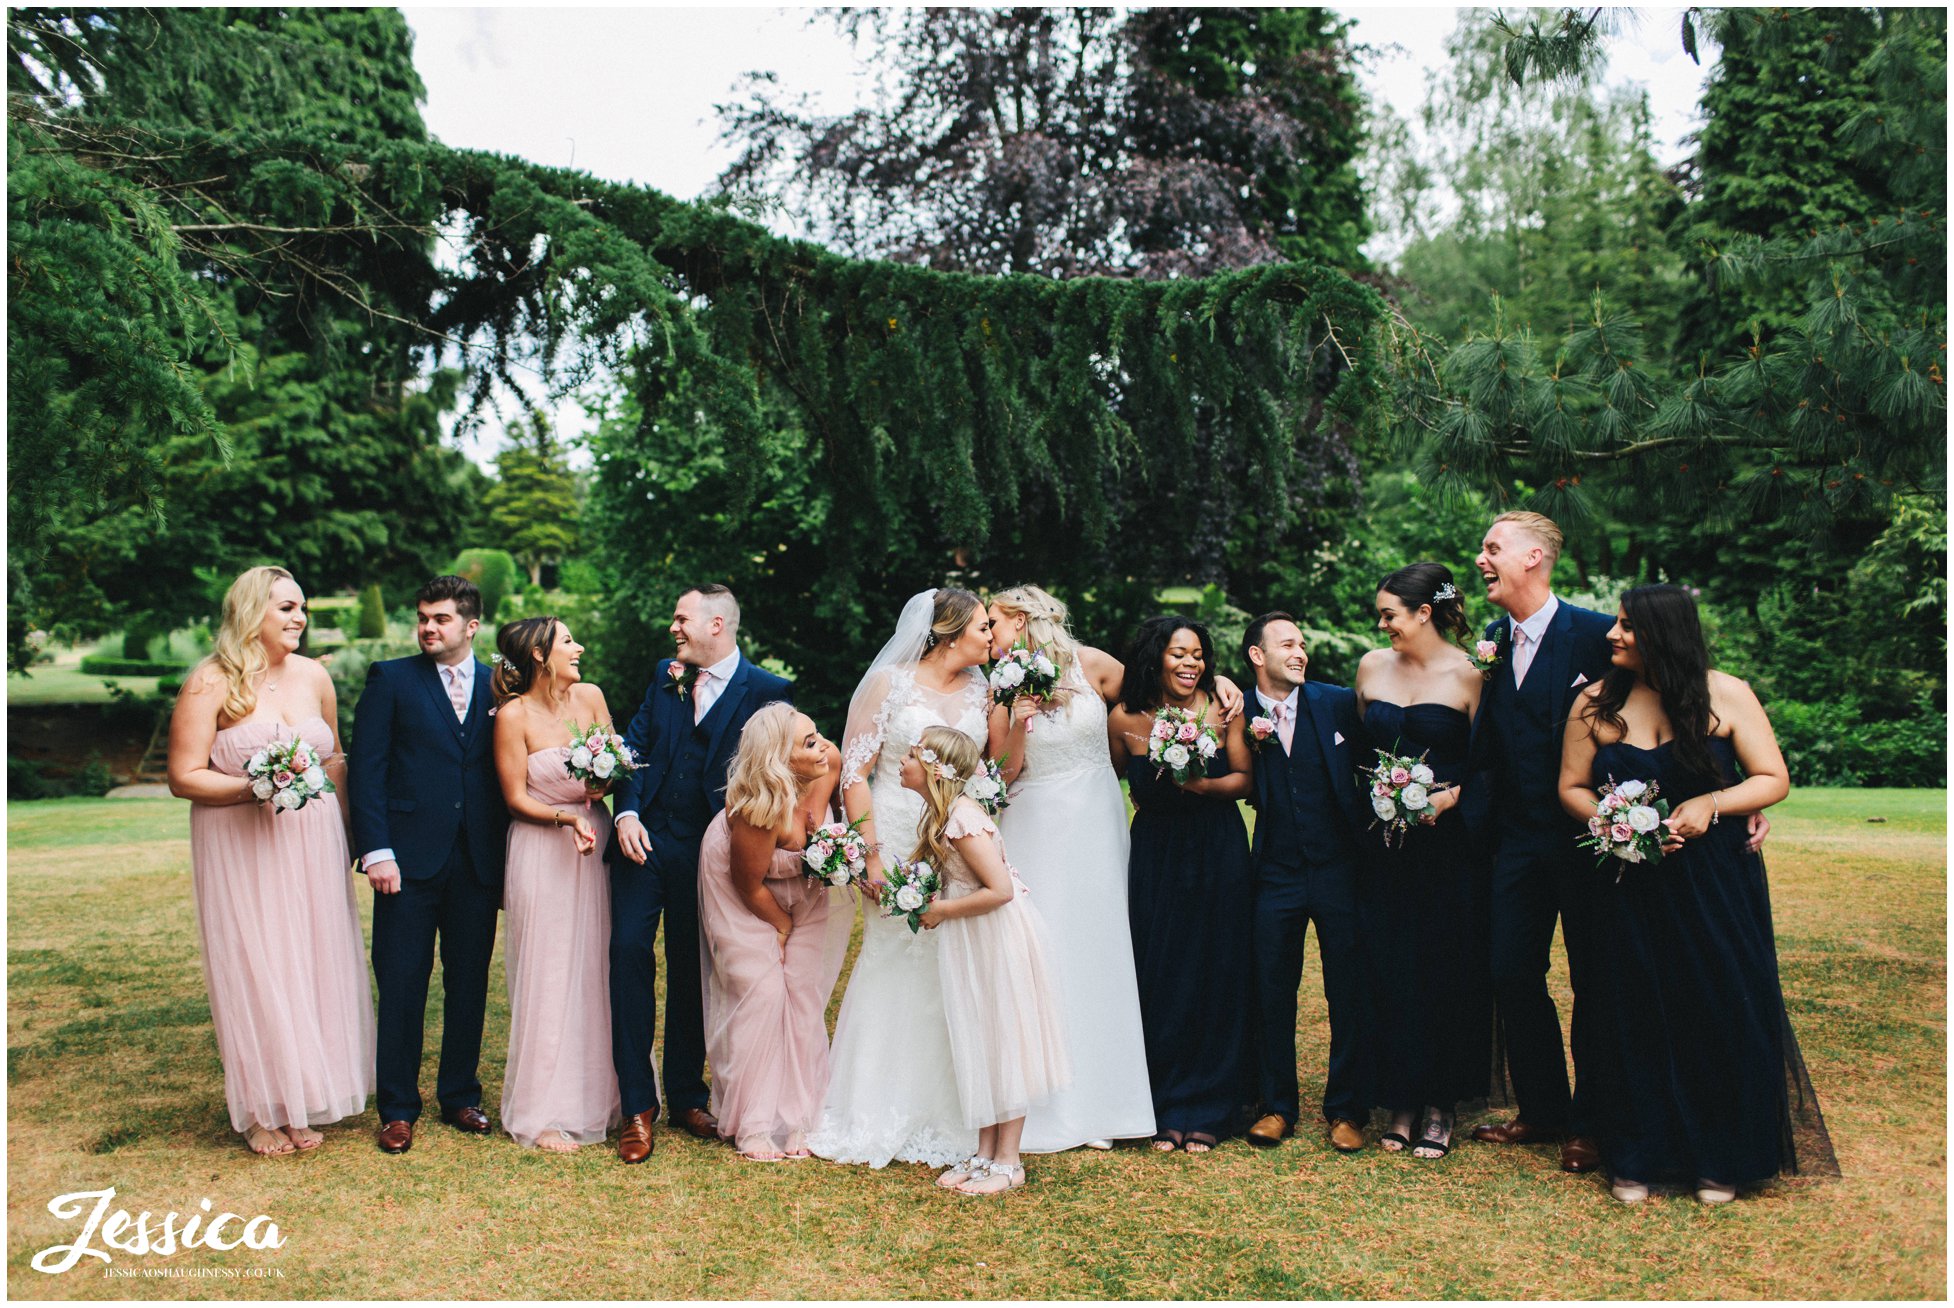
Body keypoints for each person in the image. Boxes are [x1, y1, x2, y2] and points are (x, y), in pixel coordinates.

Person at [1558, 583, 1832, 1203]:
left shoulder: (1726, 694)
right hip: (1628, 883)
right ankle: (1635, 1154)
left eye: (1626, 625)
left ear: (1664, 633)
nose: (1612, 634)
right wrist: (1612, 821)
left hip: (1714, 883)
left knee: (1717, 1003)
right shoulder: (1593, 703)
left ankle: (1722, 1157)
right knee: (1630, 1009)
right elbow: (1571, 787)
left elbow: (1773, 778)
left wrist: (1712, 802)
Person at [168, 565, 374, 1155]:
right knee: (257, 964)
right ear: (251, 611)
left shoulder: (315, 676)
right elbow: (183, 776)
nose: (300, 618)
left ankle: (300, 1099)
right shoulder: (212, 681)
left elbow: (333, 760)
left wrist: (348, 836)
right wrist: (251, 787)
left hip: (310, 842)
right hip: (240, 842)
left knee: (308, 961)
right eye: (286, 607)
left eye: (302, 607)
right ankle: (262, 1110)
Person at [809, 588, 992, 1168]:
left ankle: (948, 1110)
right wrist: (871, 854)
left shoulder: (984, 691)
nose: (992, 637)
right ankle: (874, 1105)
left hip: (953, 839)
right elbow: (854, 772)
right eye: (983, 627)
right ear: (950, 631)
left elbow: (983, 768)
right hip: (891, 830)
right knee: (892, 957)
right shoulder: (891, 682)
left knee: (949, 964)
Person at [608, 584, 791, 1163]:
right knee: (627, 952)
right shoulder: (665, 678)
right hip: (644, 843)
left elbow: (773, 779)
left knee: (694, 965)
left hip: (710, 853)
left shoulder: (768, 693)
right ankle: (638, 1105)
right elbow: (632, 751)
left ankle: (688, 1093)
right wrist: (628, 811)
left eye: (681, 618)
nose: (673, 628)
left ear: (717, 625)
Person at [1462, 511, 1620, 1172]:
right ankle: (1544, 1109)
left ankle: (1593, 1122)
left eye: (1492, 548)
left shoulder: (1596, 634)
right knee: (1510, 971)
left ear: (1533, 557)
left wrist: (1720, 789)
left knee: (1595, 979)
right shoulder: (1493, 640)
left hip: (1588, 840)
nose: (1480, 560)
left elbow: (1664, 706)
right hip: (1517, 844)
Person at [983, 585, 1154, 1153]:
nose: (989, 635)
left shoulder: (1095, 667)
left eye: (995, 622)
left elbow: (1168, 695)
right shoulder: (1002, 685)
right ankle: (1048, 1104)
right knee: (1044, 949)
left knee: (1100, 945)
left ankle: (1110, 1101)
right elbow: (1002, 776)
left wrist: (1222, 687)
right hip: (1034, 822)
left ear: (1024, 620)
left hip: (1095, 821)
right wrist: (1017, 721)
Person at [349, 574, 507, 1155]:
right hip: (406, 861)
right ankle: (396, 1107)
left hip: (477, 860)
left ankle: (460, 1094)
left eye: (440, 619)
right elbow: (367, 769)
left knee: (468, 981)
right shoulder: (391, 679)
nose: (427, 628)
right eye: (422, 618)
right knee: (402, 981)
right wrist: (377, 852)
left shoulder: (502, 687)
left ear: (470, 626)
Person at [1106, 616, 1255, 1154]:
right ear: (1154, 658)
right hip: (1157, 853)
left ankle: (1212, 1107)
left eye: (1198, 655)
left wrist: (1200, 783)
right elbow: (1117, 781)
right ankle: (1162, 1104)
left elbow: (1243, 778)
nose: (1191, 664)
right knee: (1161, 968)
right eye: (1179, 654)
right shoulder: (1123, 716)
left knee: (1217, 967)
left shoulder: (1221, 703)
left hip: (1216, 845)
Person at [1353, 565, 1487, 1159]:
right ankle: (1399, 1097)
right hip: (1383, 848)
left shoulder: (1471, 674)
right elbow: (1355, 747)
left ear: (1424, 612)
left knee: (1445, 966)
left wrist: (1450, 797)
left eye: (1390, 614)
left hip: (1450, 848)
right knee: (1388, 964)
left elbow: (1491, 764)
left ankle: (1440, 1103)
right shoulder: (1370, 667)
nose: (1381, 625)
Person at [908, 726, 1071, 1195]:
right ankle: (983, 1152)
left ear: (934, 768)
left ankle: (1009, 1160)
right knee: (981, 1036)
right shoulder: (941, 814)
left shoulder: (962, 818)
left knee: (1004, 1036)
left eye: (911, 755)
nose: (901, 762)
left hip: (996, 935)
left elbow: (999, 891)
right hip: (973, 934)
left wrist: (939, 910)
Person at [1238, 611, 1373, 1154]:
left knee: (1349, 988)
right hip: (1275, 871)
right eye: (1287, 644)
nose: (1300, 653)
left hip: (1341, 869)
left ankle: (1347, 1110)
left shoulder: (1336, 702)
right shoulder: (1235, 711)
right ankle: (1276, 1107)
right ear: (1257, 655)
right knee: (1272, 987)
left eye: (1302, 644)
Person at [492, 617, 621, 1152]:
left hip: (595, 846)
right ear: (541, 655)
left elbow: (614, 768)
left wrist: (602, 780)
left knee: (593, 965)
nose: (580, 647)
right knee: (546, 970)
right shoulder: (512, 716)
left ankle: (599, 1097)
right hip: (543, 847)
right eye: (568, 641)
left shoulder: (590, 697)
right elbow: (516, 796)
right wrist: (565, 819)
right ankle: (542, 1110)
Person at [696, 703, 843, 1161]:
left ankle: (800, 1118)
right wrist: (780, 925)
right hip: (744, 893)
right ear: (779, 758)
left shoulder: (827, 764)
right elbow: (748, 883)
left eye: (817, 735)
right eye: (808, 743)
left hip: (807, 887)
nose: (822, 747)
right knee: (762, 995)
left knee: (801, 994)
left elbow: (823, 834)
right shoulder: (757, 805)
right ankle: (754, 1123)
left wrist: (833, 849)